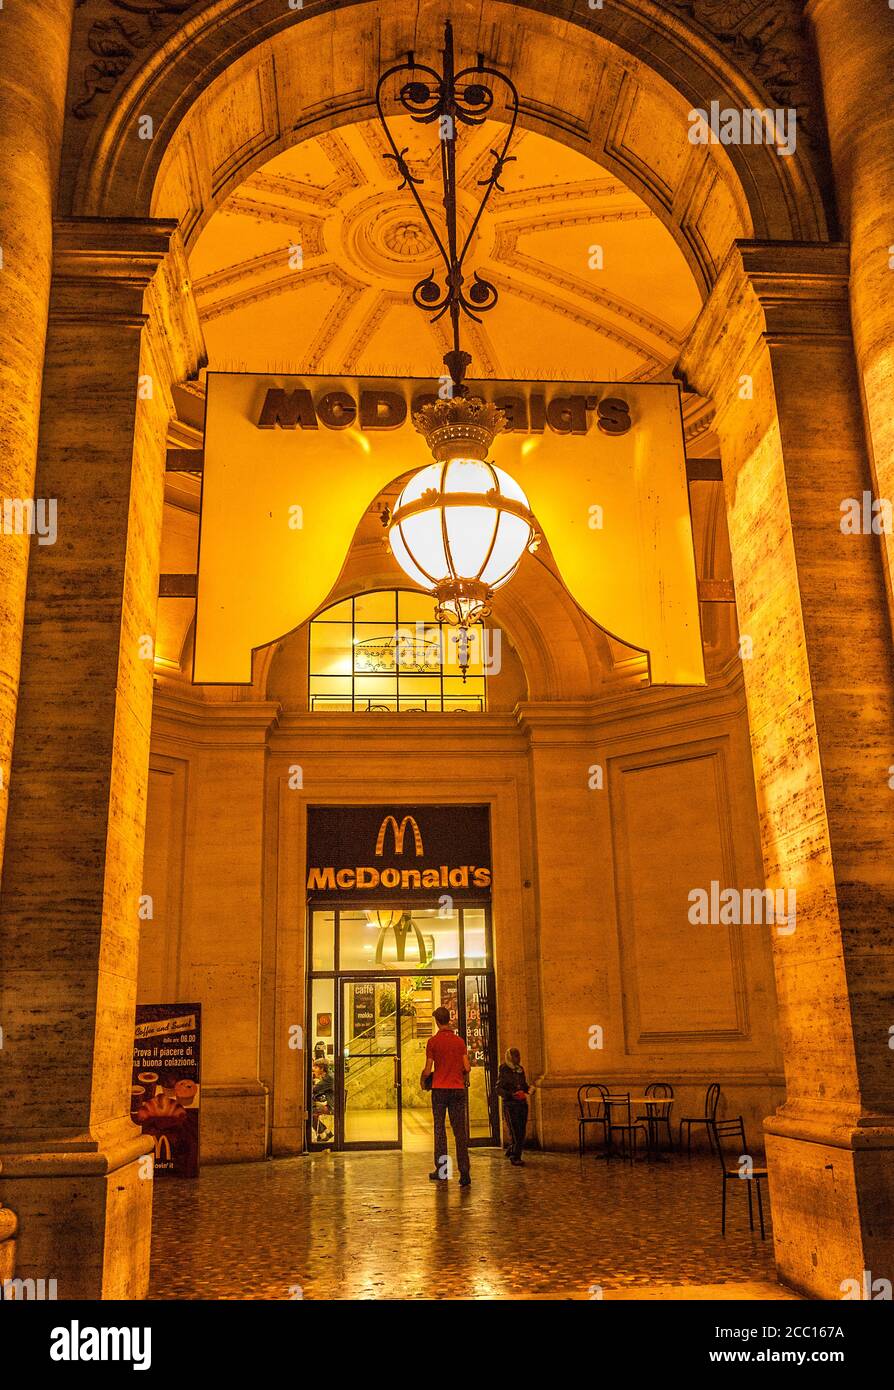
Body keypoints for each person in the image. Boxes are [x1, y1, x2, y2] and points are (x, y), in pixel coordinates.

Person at [422, 1005, 472, 1186]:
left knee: (440, 1130)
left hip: (440, 1090)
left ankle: (443, 1171)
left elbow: (428, 1069)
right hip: (458, 1090)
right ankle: (464, 1172)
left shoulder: (433, 1042)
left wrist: (423, 1079)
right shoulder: (459, 1042)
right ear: (449, 1020)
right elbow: (467, 1067)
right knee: (460, 1132)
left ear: (437, 1021)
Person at [497, 1047, 532, 1166]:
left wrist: (528, 1089)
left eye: (519, 1055)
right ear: (510, 1057)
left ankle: (512, 1149)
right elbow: (499, 1088)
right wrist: (512, 1095)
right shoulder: (504, 1069)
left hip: (522, 1104)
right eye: (515, 1056)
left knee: (521, 1130)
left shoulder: (520, 1069)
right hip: (511, 1105)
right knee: (516, 1131)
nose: (518, 1058)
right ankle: (515, 1156)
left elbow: (523, 1085)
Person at [311, 1060, 334, 1143]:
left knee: (309, 1112)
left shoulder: (328, 1078)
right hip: (332, 1103)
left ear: (322, 1069)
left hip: (332, 1107)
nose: (313, 1069)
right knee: (312, 1109)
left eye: (316, 1067)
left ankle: (323, 1135)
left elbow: (314, 1089)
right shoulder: (328, 1076)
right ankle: (327, 1132)